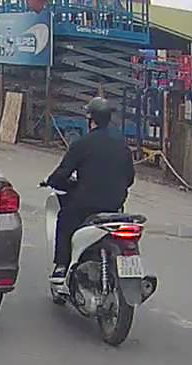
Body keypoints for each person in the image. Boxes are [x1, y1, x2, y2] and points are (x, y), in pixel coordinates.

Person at [44, 96, 135, 283]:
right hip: (115, 205)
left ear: (90, 119)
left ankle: (62, 267)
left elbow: (62, 174)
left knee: (64, 219)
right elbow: (129, 178)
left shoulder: (82, 144)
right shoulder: (122, 144)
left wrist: (52, 181)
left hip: (86, 205)